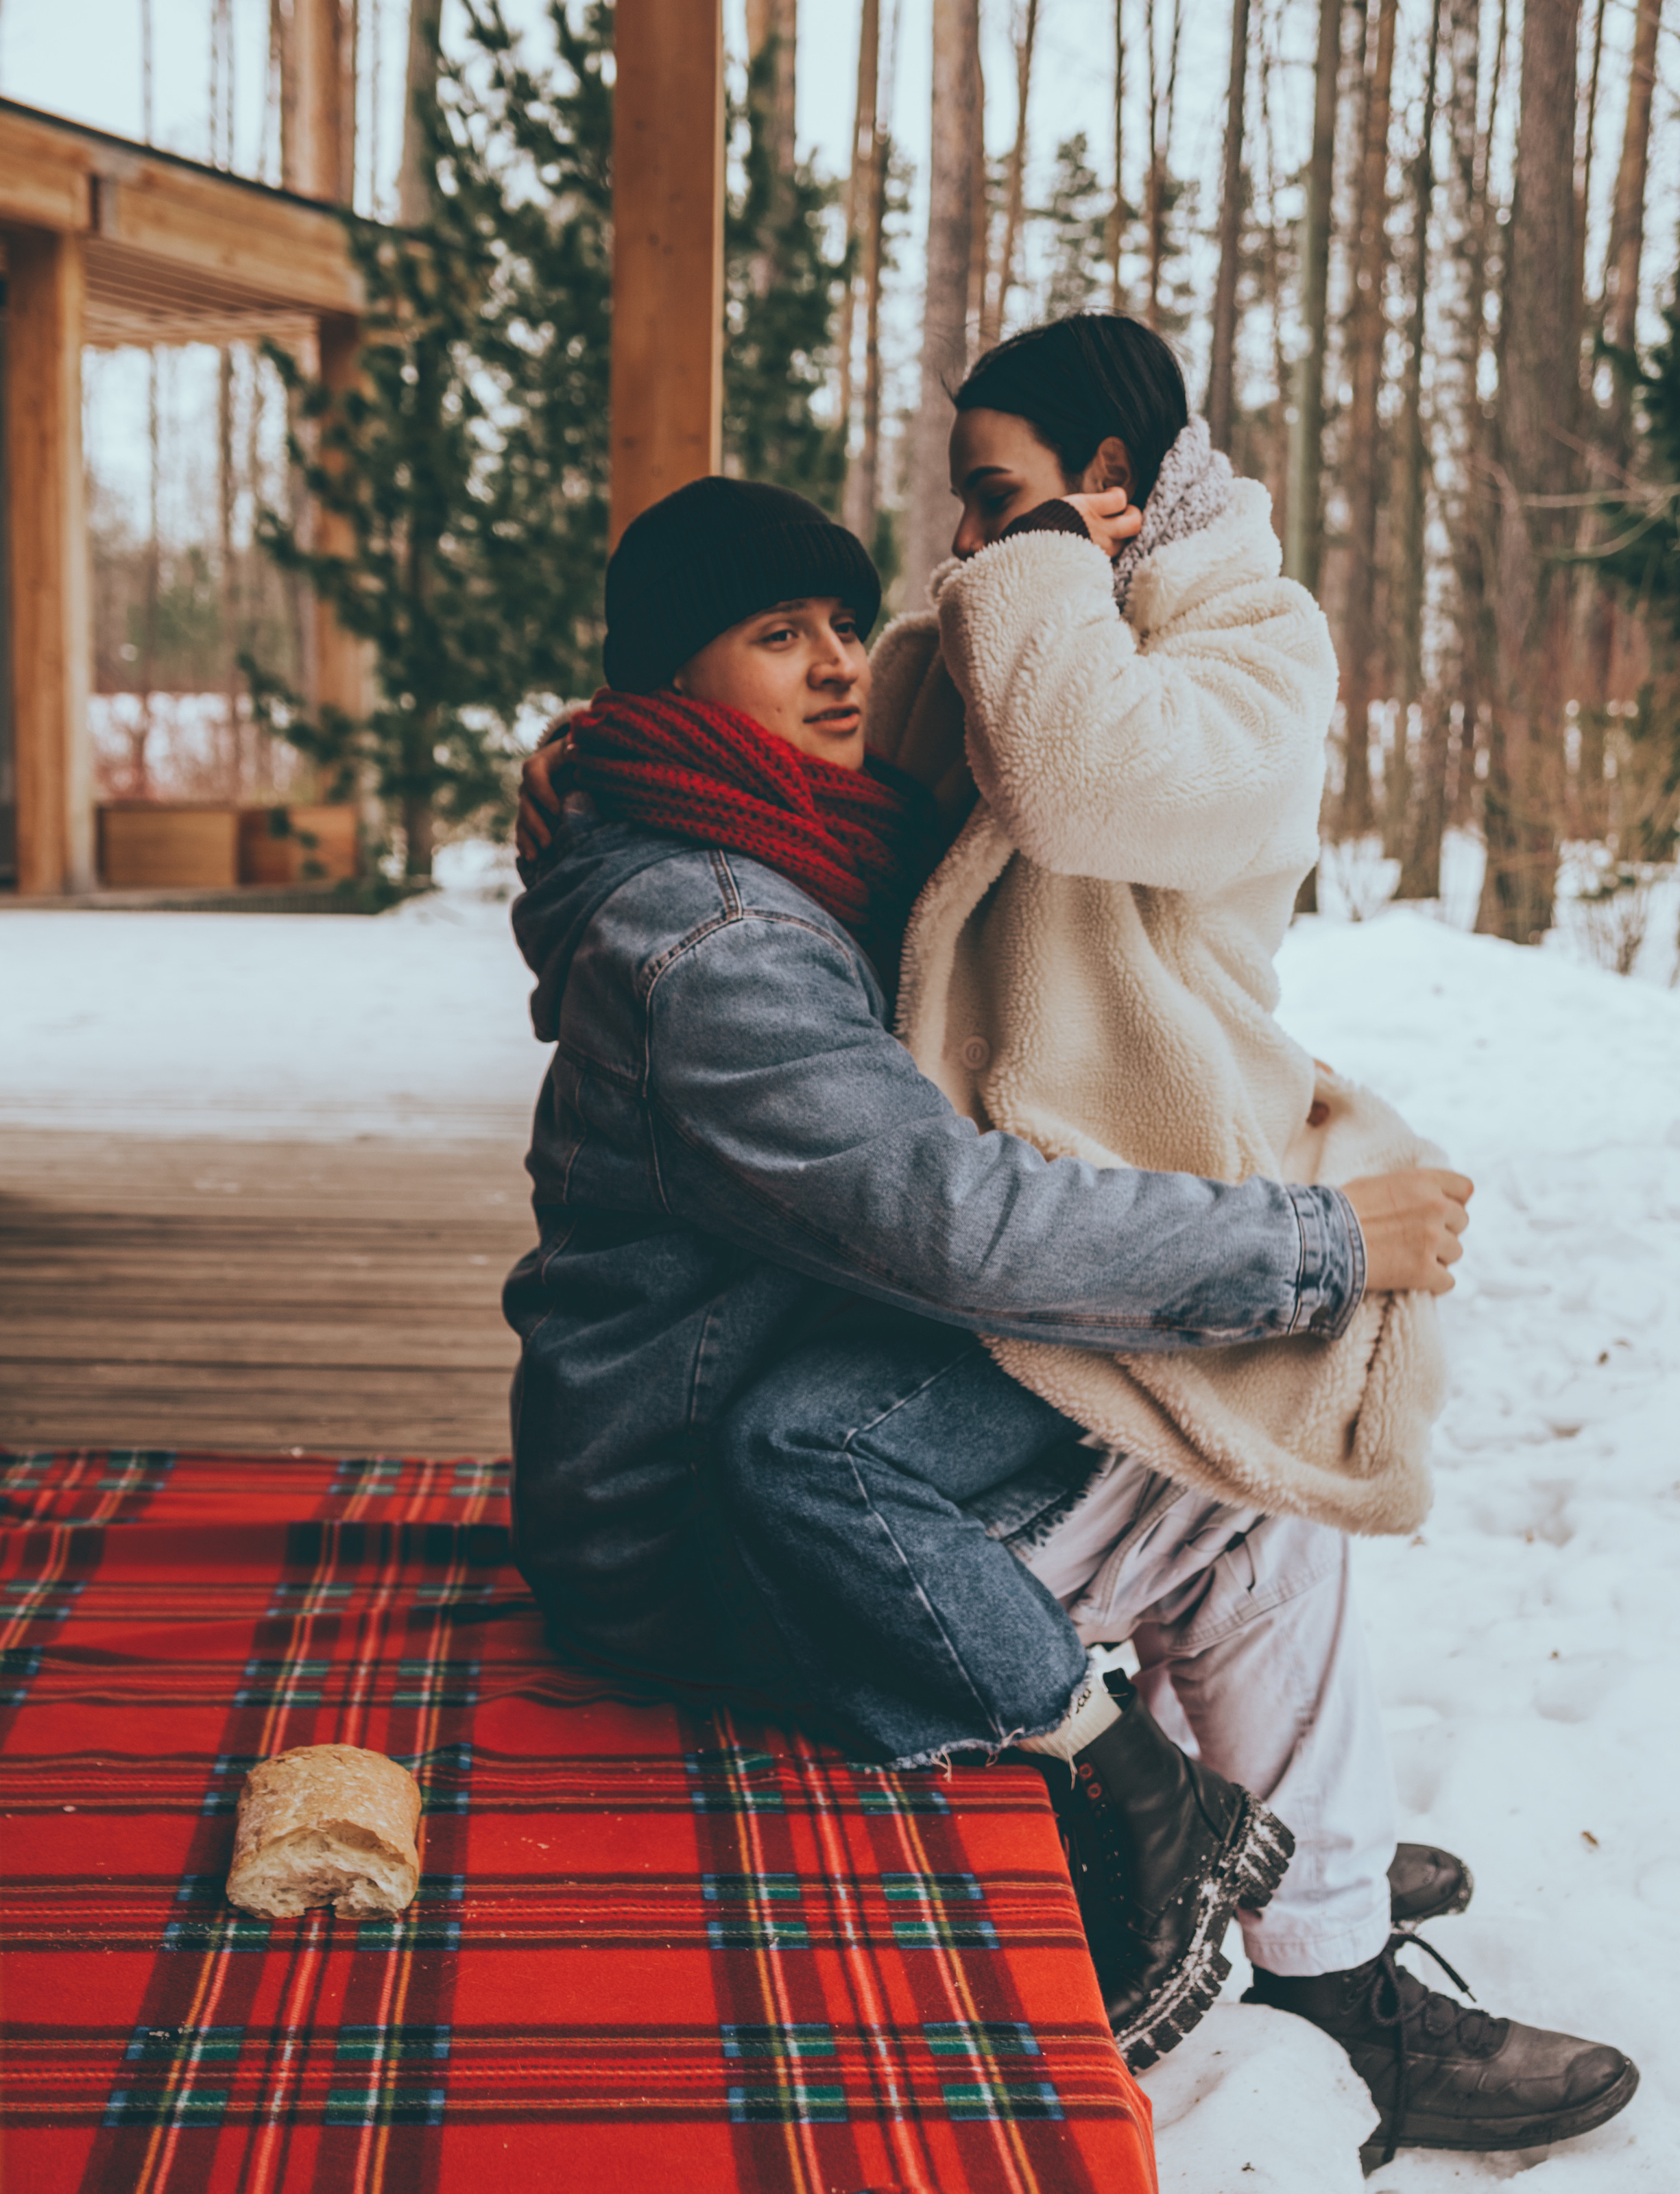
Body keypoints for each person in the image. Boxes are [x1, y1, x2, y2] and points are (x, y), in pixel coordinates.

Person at [508, 473, 1634, 2168]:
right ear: (673, 686)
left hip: (734, 1427)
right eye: (772, 635)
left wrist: (1070, 570)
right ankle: (1322, 1965)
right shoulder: (717, 937)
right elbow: (952, 1224)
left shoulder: (743, 843)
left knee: (1185, 1414)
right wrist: (1318, 1240)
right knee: (1236, 1492)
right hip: (712, 1521)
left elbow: (1013, 751)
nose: (831, 666)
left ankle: (1274, 1834)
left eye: (835, 620)